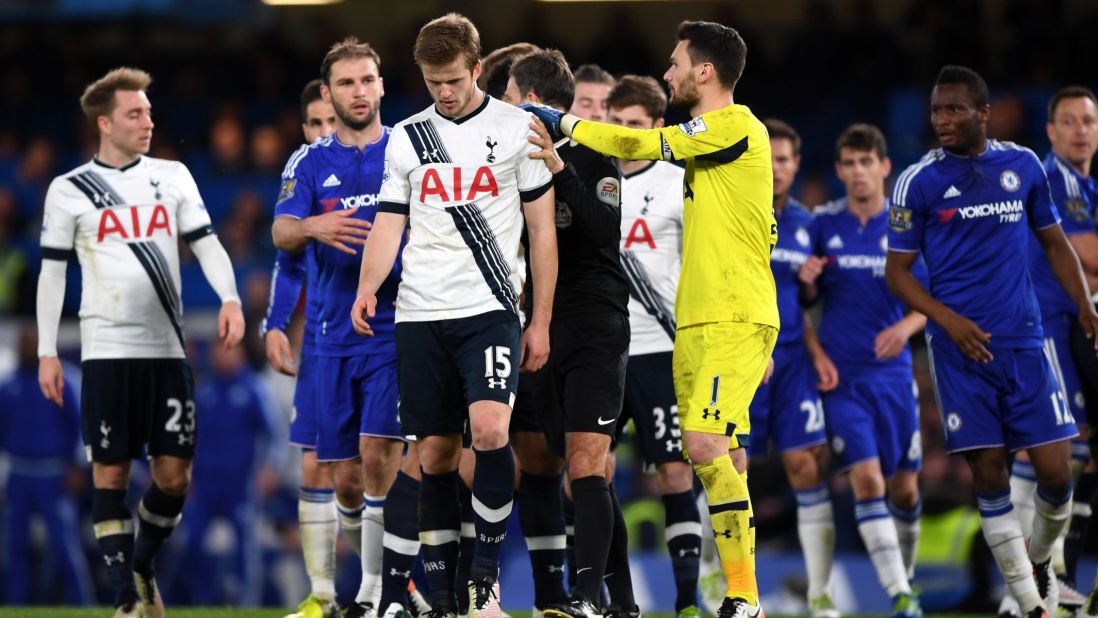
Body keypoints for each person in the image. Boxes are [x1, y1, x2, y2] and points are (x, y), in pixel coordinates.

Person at [524, 19, 779, 618]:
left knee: (704, 444)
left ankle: (742, 595)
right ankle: (737, 593)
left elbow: (636, 145)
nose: (668, 74)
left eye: (675, 63)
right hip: (694, 321)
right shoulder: (713, 142)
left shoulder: (735, 125)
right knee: (716, 453)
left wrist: (559, 120)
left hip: (733, 315)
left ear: (706, 71)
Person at [350, 13, 557, 618]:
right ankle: (439, 597)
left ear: (475, 66)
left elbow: (542, 233)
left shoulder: (517, 128)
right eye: (432, 81)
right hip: (420, 313)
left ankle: (484, 581)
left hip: (490, 308)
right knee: (435, 457)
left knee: (491, 432)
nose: (443, 91)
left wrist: (539, 319)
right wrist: (368, 288)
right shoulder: (406, 137)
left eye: (453, 80)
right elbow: (390, 222)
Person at [885, 65, 1098, 618]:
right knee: (990, 475)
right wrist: (948, 321)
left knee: (1057, 476)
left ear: (983, 113)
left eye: (955, 109)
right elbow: (898, 275)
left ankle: (1042, 562)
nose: (942, 120)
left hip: (1028, 343)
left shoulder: (1022, 166)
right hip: (961, 354)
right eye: (936, 110)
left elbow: (1055, 245)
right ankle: (1030, 605)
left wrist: (1084, 305)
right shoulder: (918, 181)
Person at [36, 66, 246, 618]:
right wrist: (46, 352)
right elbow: (52, 274)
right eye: (135, 113)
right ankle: (125, 598)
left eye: (150, 111)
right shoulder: (69, 189)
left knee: (174, 479)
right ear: (105, 123)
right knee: (109, 474)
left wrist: (229, 298)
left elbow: (207, 244)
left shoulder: (173, 176)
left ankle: (142, 564)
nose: (148, 120)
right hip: (105, 352)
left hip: (168, 352)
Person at [271, 38, 405, 618]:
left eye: (367, 80)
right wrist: (314, 227)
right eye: (345, 83)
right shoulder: (308, 162)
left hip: (396, 327)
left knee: (379, 457)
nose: (358, 91)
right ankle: (364, 585)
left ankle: (374, 594)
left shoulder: (410, 150)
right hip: (329, 338)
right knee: (346, 478)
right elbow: (280, 235)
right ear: (328, 93)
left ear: (380, 85)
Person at [505, 50, 633, 618]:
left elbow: (605, 229)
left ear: (531, 101)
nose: (501, 108)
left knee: (587, 463)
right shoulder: (508, 163)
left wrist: (559, 167)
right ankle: (624, 603)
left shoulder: (597, 151)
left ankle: (585, 600)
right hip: (541, 326)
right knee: (574, 473)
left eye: (507, 97)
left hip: (596, 325)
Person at [799, 123, 926, 618]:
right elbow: (799, 298)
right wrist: (809, 293)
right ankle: (901, 595)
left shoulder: (905, 226)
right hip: (842, 377)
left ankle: (907, 577)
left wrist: (907, 329)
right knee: (867, 482)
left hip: (893, 376)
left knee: (906, 487)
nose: (857, 172)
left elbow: (930, 300)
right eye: (849, 164)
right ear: (839, 170)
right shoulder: (823, 224)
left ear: (884, 166)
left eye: (865, 162)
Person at [607, 74, 704, 618]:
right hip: (603, 353)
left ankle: (687, 599)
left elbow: (699, 268)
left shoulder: (677, 182)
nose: (623, 133)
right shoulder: (591, 179)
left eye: (635, 125)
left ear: (658, 128)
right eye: (616, 124)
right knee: (589, 472)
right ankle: (608, 598)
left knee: (674, 471)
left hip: (661, 350)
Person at [743, 118, 837, 618]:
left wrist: (808, 285)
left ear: (797, 164)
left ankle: (820, 595)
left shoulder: (809, 223)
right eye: (770, 159)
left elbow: (809, 299)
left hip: (795, 358)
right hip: (747, 357)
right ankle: (728, 584)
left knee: (806, 465)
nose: (777, 168)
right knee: (732, 468)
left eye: (785, 160)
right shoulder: (740, 211)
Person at [262, 77, 341, 618]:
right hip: (317, 338)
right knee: (314, 467)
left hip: (380, 335)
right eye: (313, 123)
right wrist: (273, 322)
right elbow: (287, 256)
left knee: (381, 467)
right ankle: (323, 596)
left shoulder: (387, 154)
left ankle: (402, 589)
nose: (321, 132)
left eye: (329, 121)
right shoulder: (303, 168)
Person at [1023, 85, 1098, 615]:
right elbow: (1081, 251)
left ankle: (1052, 577)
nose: (1080, 130)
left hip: (1075, 327)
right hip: (1045, 325)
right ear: (1051, 131)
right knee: (1059, 450)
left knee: (1080, 450)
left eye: (1089, 121)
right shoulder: (1052, 179)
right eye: (1069, 121)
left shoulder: (1087, 186)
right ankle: (1039, 577)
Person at [185, 340, 283, 606]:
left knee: (245, 547)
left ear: (241, 353)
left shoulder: (252, 388)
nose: (221, 354)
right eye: (218, 348)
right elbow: (190, 436)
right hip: (205, 481)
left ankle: (246, 605)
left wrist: (271, 467)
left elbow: (273, 434)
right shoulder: (204, 389)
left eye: (228, 349)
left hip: (240, 481)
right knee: (192, 541)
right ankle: (204, 602)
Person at [1, 326, 93, 606]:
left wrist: (78, 465)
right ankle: (16, 605)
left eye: (32, 342)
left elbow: (83, 424)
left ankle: (84, 605)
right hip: (19, 472)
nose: (26, 347)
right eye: (23, 342)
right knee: (15, 544)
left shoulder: (64, 378)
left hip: (54, 473)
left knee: (65, 545)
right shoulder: (9, 384)